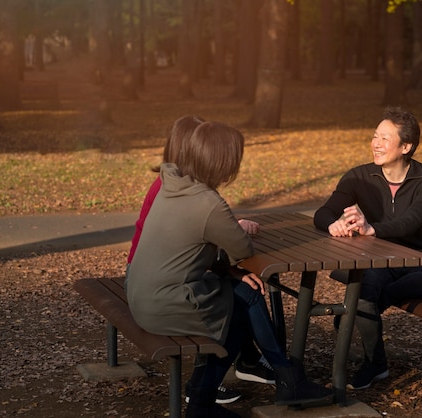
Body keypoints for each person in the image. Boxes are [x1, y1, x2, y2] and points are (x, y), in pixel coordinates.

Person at [126, 120, 332, 418]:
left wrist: (228, 270)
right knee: (242, 308)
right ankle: (216, 397)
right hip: (164, 305)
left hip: (142, 295)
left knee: (245, 294)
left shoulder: (173, 185)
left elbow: (192, 247)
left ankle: (273, 380)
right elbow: (243, 251)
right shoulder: (208, 202)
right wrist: (231, 267)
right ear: (224, 161)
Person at [125, 116, 273, 406]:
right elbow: (239, 246)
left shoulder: (173, 185)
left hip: (146, 288)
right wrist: (229, 252)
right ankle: (206, 393)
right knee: (242, 302)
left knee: (241, 293)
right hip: (157, 294)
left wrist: (226, 263)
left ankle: (265, 368)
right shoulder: (198, 198)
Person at [313, 106, 422, 390]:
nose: (376, 144)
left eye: (385, 139)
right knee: (366, 287)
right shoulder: (358, 176)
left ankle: (358, 309)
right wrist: (333, 225)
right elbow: (323, 212)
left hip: (419, 261)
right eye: (375, 136)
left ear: (406, 146)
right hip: (380, 263)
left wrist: (370, 229)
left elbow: (410, 222)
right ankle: (376, 364)